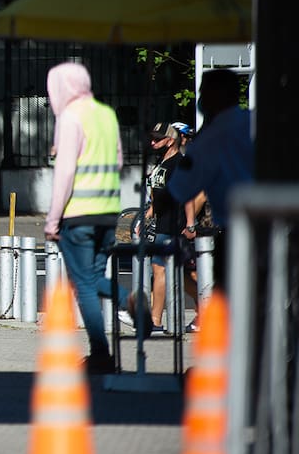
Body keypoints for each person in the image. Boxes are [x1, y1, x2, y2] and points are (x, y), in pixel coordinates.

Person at [43, 62, 129, 374]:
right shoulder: (106, 114)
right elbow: (118, 160)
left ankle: (101, 353)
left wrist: (53, 220)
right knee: (93, 278)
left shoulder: (69, 117)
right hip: (109, 212)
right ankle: (129, 299)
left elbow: (65, 172)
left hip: (78, 215)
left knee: (84, 286)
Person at [167, 68, 254, 290]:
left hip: (236, 232)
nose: (200, 98)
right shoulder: (256, 122)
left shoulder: (210, 138)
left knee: (228, 294)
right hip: (275, 226)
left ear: (216, 96)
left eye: (203, 92)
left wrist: (161, 203)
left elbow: (180, 188)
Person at [141, 121, 198, 333]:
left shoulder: (179, 162)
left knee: (160, 269)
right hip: (161, 221)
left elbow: (188, 194)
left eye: (158, 138)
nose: (153, 141)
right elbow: (158, 193)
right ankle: (206, 307)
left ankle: (155, 321)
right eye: (152, 138)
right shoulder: (161, 161)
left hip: (174, 223)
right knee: (181, 275)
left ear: (170, 139)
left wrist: (191, 224)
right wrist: (147, 216)